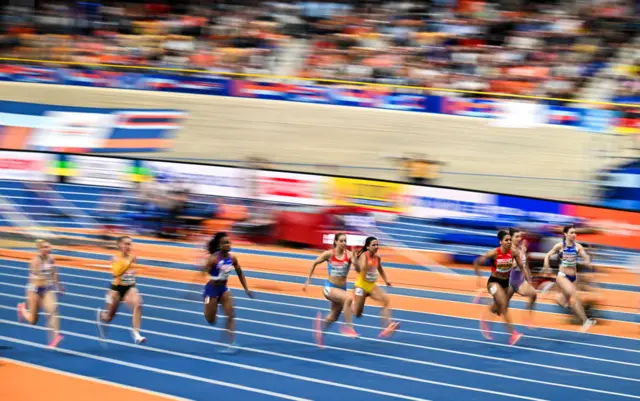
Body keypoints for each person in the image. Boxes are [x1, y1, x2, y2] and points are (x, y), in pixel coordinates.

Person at [304, 233, 359, 347]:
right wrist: (308, 281)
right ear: (336, 242)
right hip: (329, 288)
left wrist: (355, 259)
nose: (344, 243)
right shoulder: (329, 254)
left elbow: (357, 268)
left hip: (341, 289)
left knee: (333, 317)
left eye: (345, 241)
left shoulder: (348, 255)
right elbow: (314, 263)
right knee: (348, 298)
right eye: (342, 241)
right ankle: (348, 327)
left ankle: (321, 329)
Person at [202, 232, 253, 353]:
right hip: (211, 290)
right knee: (211, 320)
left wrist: (246, 288)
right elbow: (202, 273)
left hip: (223, 289)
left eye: (229, 242)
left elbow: (240, 273)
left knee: (231, 315)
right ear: (220, 245)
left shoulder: (232, 258)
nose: (228, 244)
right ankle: (208, 304)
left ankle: (232, 343)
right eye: (225, 242)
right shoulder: (214, 258)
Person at [474, 230, 525, 345]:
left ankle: (484, 317)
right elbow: (477, 262)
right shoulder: (493, 253)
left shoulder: (513, 252)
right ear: (501, 242)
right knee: (503, 305)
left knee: (498, 308)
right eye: (507, 240)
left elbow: (518, 265)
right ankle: (513, 334)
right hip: (493, 282)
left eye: (510, 240)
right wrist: (479, 280)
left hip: (505, 283)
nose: (509, 242)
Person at [543, 225, 597, 332]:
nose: (574, 235)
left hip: (573, 277)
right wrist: (546, 267)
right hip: (562, 276)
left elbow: (584, 256)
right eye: (571, 233)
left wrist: (587, 261)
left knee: (564, 301)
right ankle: (586, 321)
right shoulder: (560, 246)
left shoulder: (578, 247)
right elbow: (547, 255)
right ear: (565, 234)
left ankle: (556, 294)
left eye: (575, 233)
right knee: (574, 295)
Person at [96, 236, 146, 345]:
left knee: (139, 304)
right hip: (116, 290)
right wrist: (128, 264)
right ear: (120, 245)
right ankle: (101, 315)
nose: (128, 246)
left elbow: (133, 272)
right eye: (126, 244)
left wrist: (132, 274)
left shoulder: (133, 257)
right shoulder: (115, 258)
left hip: (129, 287)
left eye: (130, 244)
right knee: (109, 317)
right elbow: (115, 273)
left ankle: (136, 333)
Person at [17, 239, 64, 348]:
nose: (48, 249)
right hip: (34, 291)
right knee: (33, 320)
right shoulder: (35, 261)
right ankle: (22, 308)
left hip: (46, 289)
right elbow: (36, 279)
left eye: (49, 247)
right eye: (45, 247)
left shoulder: (51, 259)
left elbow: (54, 273)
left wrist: (59, 285)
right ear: (39, 249)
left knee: (53, 310)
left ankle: (55, 337)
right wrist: (46, 279)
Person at [352, 236, 399, 338]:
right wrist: (356, 261)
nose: (376, 246)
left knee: (386, 300)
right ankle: (348, 304)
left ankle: (387, 326)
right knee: (358, 314)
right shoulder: (364, 256)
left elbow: (380, 269)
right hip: (361, 287)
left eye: (377, 244)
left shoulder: (377, 257)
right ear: (368, 247)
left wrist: (386, 280)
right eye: (373, 245)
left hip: (372, 286)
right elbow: (361, 268)